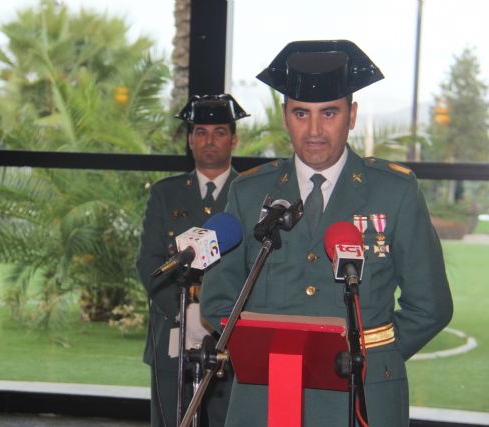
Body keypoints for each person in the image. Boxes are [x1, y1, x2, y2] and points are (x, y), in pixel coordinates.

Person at [200, 40, 454, 427]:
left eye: (329, 113)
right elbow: (219, 301)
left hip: (363, 393)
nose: (315, 130)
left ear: (351, 116)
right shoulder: (250, 193)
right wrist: (261, 353)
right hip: (265, 396)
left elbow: (430, 305)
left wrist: (370, 355)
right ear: (285, 116)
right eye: (301, 113)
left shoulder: (395, 191)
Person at [136, 94, 249, 427]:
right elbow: (149, 264)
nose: (209, 141)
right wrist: (186, 314)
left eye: (219, 132)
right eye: (200, 132)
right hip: (174, 333)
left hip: (233, 336)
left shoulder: (253, 193)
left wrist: (217, 318)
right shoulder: (164, 194)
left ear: (234, 138)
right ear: (189, 139)